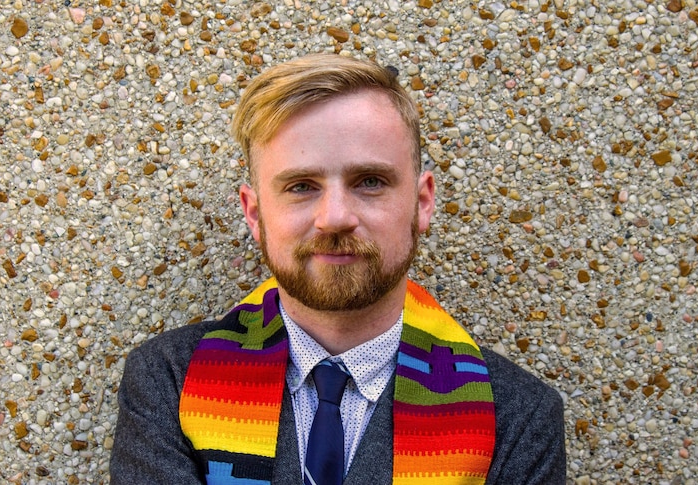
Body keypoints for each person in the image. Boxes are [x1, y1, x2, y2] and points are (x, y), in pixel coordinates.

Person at [110, 53, 566, 484]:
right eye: (301, 186)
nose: (334, 216)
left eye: (370, 181)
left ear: (422, 202)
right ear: (254, 214)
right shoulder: (168, 383)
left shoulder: (518, 416)